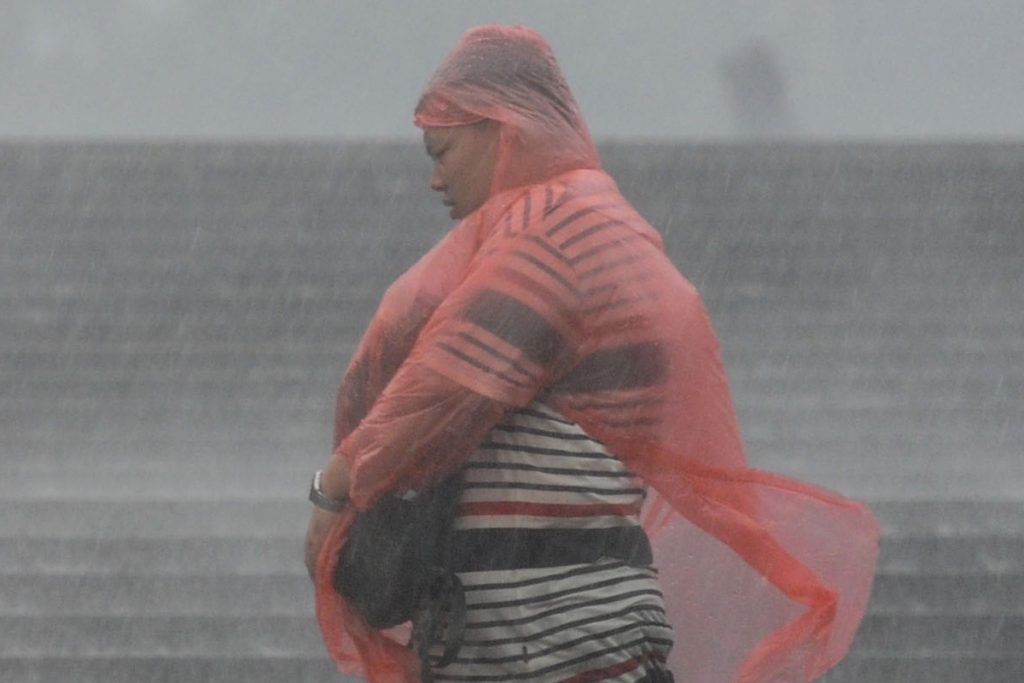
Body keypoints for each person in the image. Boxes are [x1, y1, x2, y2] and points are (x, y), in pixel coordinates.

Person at [305, 25, 879, 683]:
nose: (435, 178)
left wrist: (336, 487)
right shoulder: (600, 223)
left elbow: (441, 386)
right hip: (587, 622)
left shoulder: (552, 233)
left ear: (501, 131)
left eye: (443, 150)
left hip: (543, 634)